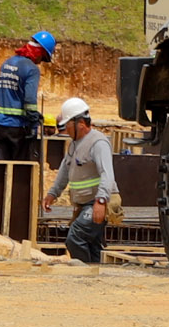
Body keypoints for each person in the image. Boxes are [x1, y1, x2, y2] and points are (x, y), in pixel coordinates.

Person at [44, 96, 117, 265]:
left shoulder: (98, 143)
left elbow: (107, 173)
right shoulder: (75, 144)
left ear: (81, 124)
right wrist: (53, 193)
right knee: (92, 244)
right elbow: (65, 169)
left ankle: (83, 272)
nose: (66, 130)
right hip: (85, 204)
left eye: (68, 126)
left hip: (98, 202)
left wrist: (101, 200)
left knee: (75, 236)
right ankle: (96, 275)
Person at [0, 31, 55, 162]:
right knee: (19, 171)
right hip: (17, 127)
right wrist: (34, 120)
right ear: (39, 52)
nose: (40, 62)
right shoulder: (31, 69)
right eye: (42, 58)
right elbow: (29, 100)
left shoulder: (7, 63)